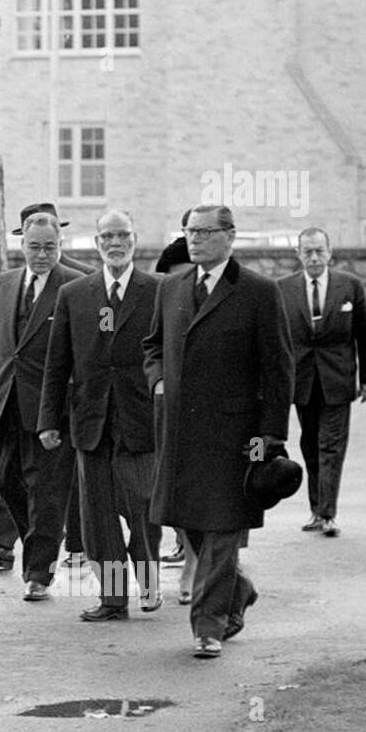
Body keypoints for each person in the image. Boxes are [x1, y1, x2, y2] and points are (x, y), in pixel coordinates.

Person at [143, 204, 294, 658]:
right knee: (187, 521)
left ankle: (207, 627)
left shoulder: (257, 292)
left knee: (225, 524)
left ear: (230, 237)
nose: (195, 239)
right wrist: (158, 380)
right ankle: (238, 585)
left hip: (237, 435)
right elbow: (152, 346)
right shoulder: (170, 288)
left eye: (206, 232)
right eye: (190, 231)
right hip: (179, 433)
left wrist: (270, 438)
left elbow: (279, 367)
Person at [39, 209, 162, 620]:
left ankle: (149, 582)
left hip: (141, 420)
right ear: (97, 244)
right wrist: (49, 421)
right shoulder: (75, 294)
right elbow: (58, 364)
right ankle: (112, 598)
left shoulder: (157, 290)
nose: (115, 243)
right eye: (107, 236)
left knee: (144, 509)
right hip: (91, 423)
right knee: (99, 519)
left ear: (134, 239)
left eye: (122, 235)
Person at [0, 202, 90, 573]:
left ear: (60, 245)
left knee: (48, 493)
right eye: (34, 247)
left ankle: (39, 570)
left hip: (52, 406)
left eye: (49, 248)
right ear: (21, 244)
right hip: (7, 402)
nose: (41, 255)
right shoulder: (5, 283)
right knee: (3, 480)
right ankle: (33, 541)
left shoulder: (76, 284)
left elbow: (85, 352)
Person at [278, 228, 366, 538]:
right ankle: (316, 509)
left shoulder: (350, 287)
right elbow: (277, 340)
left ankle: (328, 513)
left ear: (330, 252)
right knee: (310, 445)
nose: (314, 257)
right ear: (298, 254)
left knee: (330, 446)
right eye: (307, 251)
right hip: (303, 380)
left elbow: (364, 335)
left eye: (319, 250)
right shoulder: (283, 289)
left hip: (338, 379)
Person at [152, 234, 196, 604]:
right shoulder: (165, 297)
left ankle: (198, 567)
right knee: (173, 489)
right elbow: (151, 346)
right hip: (169, 410)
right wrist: (159, 381)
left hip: (215, 412)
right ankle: (186, 546)